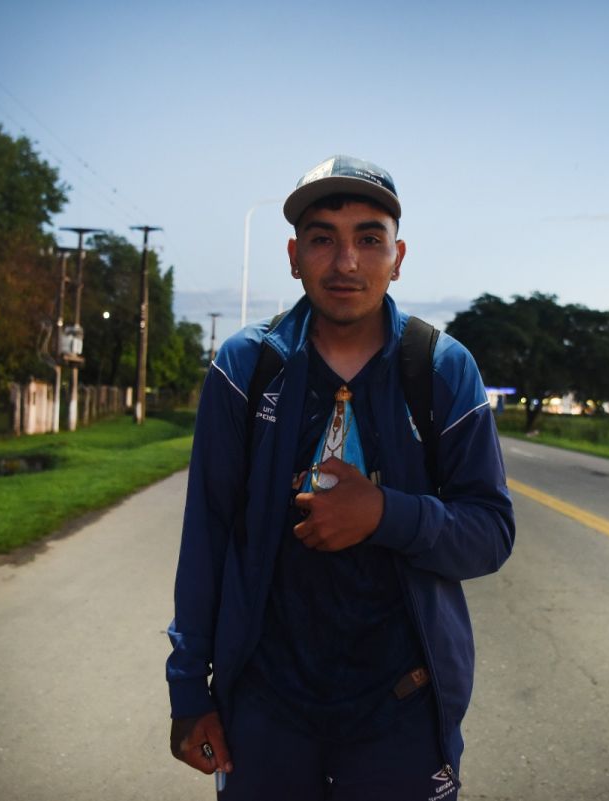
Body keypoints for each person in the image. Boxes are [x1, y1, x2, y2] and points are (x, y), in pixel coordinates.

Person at [166, 154, 515, 800]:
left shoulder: (440, 369)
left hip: (402, 707)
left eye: (369, 238)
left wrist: (385, 512)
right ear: (294, 255)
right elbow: (206, 537)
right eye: (323, 238)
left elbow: (491, 531)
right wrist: (190, 689)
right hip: (267, 706)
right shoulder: (245, 368)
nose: (346, 260)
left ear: (398, 255)